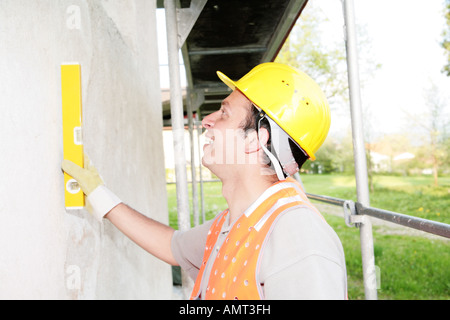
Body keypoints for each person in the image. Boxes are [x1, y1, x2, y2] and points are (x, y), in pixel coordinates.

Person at [62, 62, 347, 300]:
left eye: (224, 113)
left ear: (256, 138)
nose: (208, 120)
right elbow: (172, 245)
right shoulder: (236, 224)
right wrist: (99, 195)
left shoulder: (297, 236)